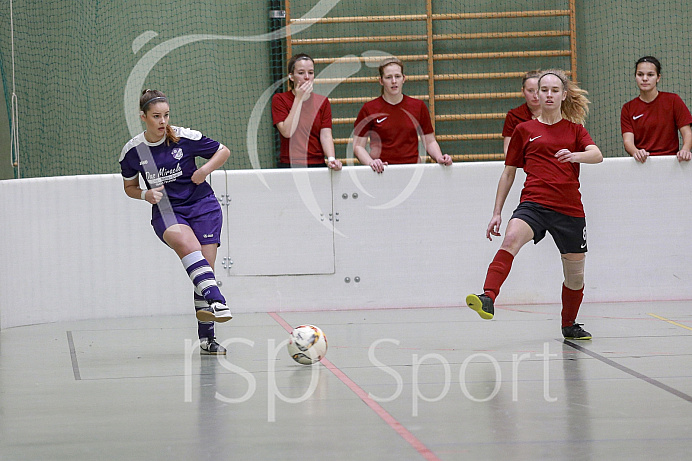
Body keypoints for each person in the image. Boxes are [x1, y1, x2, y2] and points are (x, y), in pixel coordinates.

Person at [466, 70, 603, 340]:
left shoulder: (575, 130)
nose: (549, 95)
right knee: (511, 237)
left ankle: (569, 324)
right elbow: (508, 172)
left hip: (569, 209)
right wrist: (497, 212)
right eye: (544, 90)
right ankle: (488, 296)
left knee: (575, 275)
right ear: (536, 95)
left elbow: (596, 155)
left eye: (555, 90)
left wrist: (574, 156)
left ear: (564, 95)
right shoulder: (524, 130)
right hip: (534, 203)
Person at [119, 89, 232, 355]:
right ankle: (218, 301)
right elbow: (129, 187)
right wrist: (145, 194)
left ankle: (207, 339)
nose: (162, 121)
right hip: (167, 210)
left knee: (204, 271)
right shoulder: (133, 151)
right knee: (186, 245)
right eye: (156, 116)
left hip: (203, 206)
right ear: (143, 117)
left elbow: (223, 151)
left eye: (166, 115)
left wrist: (204, 170)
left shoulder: (184, 137)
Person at [353, 57, 452, 173]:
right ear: (381, 81)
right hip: (382, 172)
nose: (394, 81)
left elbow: (429, 141)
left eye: (397, 76)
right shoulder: (369, 109)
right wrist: (371, 162)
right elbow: (358, 146)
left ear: (403, 78)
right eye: (388, 77)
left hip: (413, 172)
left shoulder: (418, 106)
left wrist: (439, 157)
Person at [272, 53, 342, 170]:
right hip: (290, 165)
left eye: (310, 72)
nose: (306, 77)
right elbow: (287, 132)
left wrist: (331, 159)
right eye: (301, 73)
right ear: (291, 76)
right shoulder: (279, 99)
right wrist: (298, 98)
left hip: (316, 164)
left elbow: (325, 135)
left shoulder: (322, 101)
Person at [621, 56, 692, 163]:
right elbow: (628, 141)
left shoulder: (673, 100)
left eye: (650, 75)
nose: (645, 78)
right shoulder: (628, 108)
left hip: (671, 162)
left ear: (658, 77)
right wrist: (636, 152)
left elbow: (687, 132)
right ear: (635, 76)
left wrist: (685, 150)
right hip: (642, 163)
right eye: (640, 74)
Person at [502, 70, 542, 156]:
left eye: (539, 90)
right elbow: (508, 150)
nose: (535, 95)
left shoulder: (556, 113)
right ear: (523, 91)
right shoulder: (513, 115)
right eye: (530, 91)